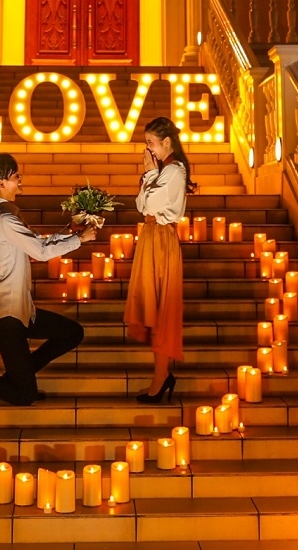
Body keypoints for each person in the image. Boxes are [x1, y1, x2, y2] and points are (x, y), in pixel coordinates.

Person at [0, 152, 96, 406]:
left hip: (21, 311)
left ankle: (19, 378)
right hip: (7, 315)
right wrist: (80, 240)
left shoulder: (8, 216)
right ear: (1, 183)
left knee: (71, 333)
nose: (19, 179)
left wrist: (69, 233)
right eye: (15, 176)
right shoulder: (5, 219)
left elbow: (36, 243)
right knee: (24, 396)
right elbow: (41, 252)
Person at [125, 115, 191, 403]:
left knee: (162, 307)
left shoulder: (174, 171)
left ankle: (161, 376)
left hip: (161, 239)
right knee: (152, 304)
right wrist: (149, 176)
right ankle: (160, 373)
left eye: (151, 143)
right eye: (146, 144)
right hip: (151, 235)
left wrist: (149, 175)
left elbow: (150, 204)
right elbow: (141, 205)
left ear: (166, 142)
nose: (147, 150)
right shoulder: (162, 170)